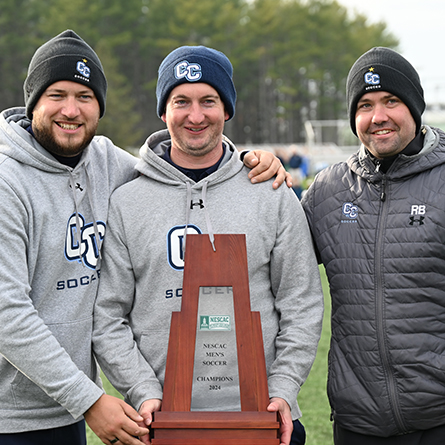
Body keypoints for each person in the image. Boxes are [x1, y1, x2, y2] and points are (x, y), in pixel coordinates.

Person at [0, 30, 290, 445]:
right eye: (56, 95)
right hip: (11, 413)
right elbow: (6, 314)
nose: (71, 109)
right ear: (32, 104)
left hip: (64, 410)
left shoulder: (108, 163)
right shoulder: (6, 182)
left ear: (99, 106)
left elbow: (179, 163)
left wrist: (247, 160)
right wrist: (90, 401)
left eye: (85, 96)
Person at [92, 45, 324, 445]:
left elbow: (301, 302)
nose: (195, 116)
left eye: (209, 101)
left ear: (227, 109)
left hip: (263, 418)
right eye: (181, 101)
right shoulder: (127, 201)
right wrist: (143, 391)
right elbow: (108, 316)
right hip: (162, 422)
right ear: (164, 111)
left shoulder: (269, 191)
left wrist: (283, 388)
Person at [301, 47, 445, 444]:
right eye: (364, 105)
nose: (378, 116)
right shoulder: (327, 190)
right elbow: (273, 268)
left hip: (438, 419)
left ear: (415, 107)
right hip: (357, 423)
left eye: (391, 101)